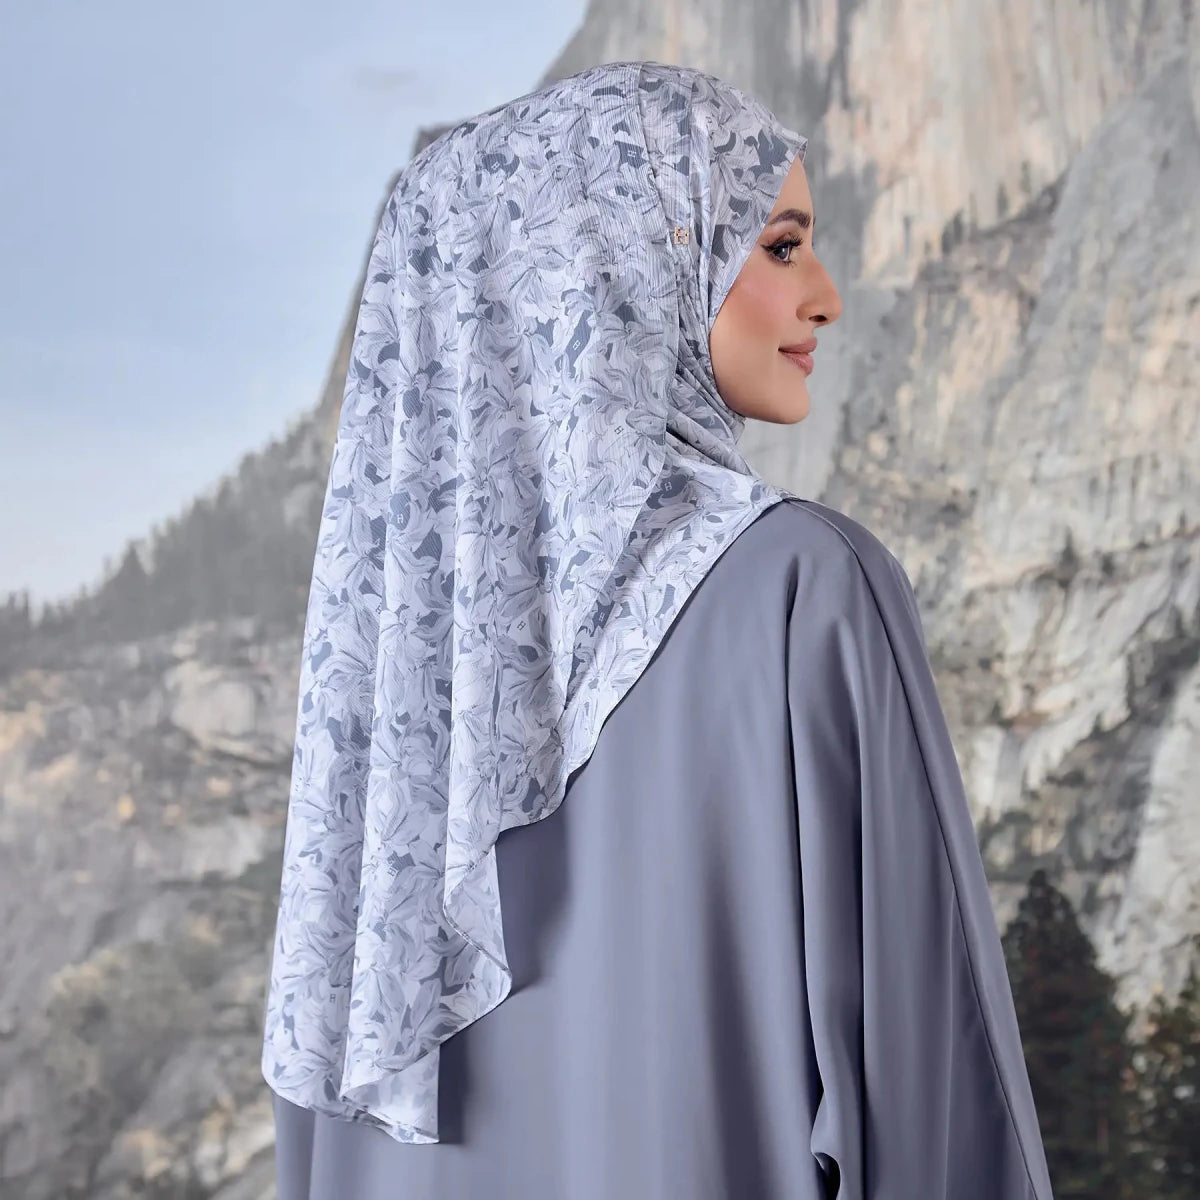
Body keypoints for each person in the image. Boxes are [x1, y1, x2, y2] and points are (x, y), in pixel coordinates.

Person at [261, 59, 1056, 1199]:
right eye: (779, 246)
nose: (825, 296)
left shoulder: (377, 716)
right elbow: (932, 1104)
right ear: (620, 263)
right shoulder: (802, 591)